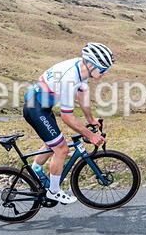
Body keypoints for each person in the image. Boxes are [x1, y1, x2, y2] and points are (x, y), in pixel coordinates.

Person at [23, 42, 113, 204]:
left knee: (53, 142)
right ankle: (54, 191)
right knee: (62, 149)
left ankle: (35, 170)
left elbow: (82, 95)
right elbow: (67, 116)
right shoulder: (71, 77)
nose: (105, 73)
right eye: (103, 69)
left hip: (41, 105)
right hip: (36, 108)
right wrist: (90, 135)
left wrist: (90, 120)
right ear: (92, 64)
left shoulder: (82, 68)